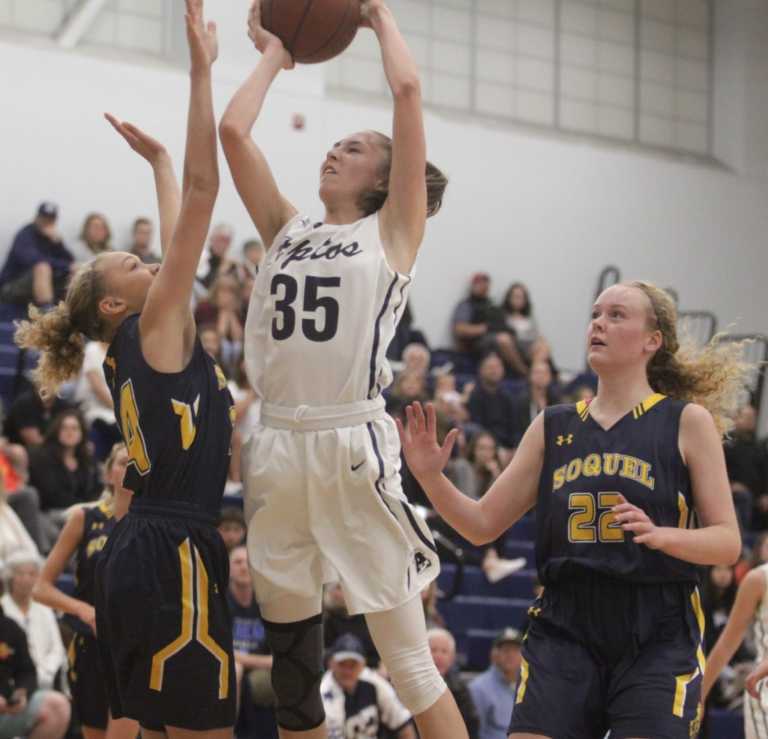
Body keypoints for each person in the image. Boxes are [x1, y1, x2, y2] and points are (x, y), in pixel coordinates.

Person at [220, 0, 465, 736]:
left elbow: (408, 94)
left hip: (349, 445)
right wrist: (275, 52)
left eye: (356, 149)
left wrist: (373, 16)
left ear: (388, 181)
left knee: (411, 664)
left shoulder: (391, 232)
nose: (336, 150)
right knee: (295, 675)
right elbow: (232, 132)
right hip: (276, 447)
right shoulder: (287, 228)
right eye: (338, 143)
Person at [15, 2, 236, 735]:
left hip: (147, 545)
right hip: (173, 546)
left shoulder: (139, 340)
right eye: (136, 263)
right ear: (116, 299)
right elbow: (203, 205)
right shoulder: (150, 328)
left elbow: (182, 239)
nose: (155, 263)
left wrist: (162, 165)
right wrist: (202, 72)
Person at [398, 281, 747, 739]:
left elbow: (727, 542)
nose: (599, 322)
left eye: (617, 315)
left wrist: (663, 536)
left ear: (652, 340)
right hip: (566, 622)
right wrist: (430, 478)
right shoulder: (553, 425)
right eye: (597, 314)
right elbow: (481, 526)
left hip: (656, 623)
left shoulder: (685, 421)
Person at [33, 443, 137, 739]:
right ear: (108, 474)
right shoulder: (85, 517)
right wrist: (82, 608)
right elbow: (40, 587)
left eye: (135, 463)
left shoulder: (153, 524)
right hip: (89, 645)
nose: (128, 469)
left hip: (134, 645)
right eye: (121, 462)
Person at [320, 635, 416, 739]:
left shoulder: (374, 682)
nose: (347, 671)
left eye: (353, 665)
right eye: (342, 664)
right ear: (331, 663)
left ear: (362, 665)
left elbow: (402, 723)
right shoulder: (324, 693)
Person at [0, 600, 70, 739]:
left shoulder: (10, 627)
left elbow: (27, 671)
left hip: (6, 708)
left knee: (57, 706)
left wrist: (22, 692)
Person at [0, 552, 65, 692]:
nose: (26, 579)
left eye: (32, 574)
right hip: (10, 685)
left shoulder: (45, 609)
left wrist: (45, 672)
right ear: (10, 577)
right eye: (20, 574)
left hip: (46, 680)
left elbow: (57, 649)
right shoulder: (3, 609)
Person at [451, 274, 526, 377]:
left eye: (485, 284)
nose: (483, 286)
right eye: (479, 283)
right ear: (473, 285)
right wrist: (486, 328)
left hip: (496, 340)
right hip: (477, 344)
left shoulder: (492, 305)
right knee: (504, 340)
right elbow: (459, 329)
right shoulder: (466, 305)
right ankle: (525, 373)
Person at [0, 203, 73, 308]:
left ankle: (72, 310)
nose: (47, 222)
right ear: (36, 217)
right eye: (44, 218)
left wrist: (58, 243)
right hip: (9, 287)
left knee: (75, 269)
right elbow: (33, 259)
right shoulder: (25, 235)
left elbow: (70, 261)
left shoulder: (53, 238)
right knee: (42, 267)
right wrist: (62, 265)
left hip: (39, 285)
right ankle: (47, 312)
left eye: (50, 219)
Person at [468, 628, 523, 739]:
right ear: (494, 655)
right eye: (506, 650)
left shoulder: (529, 686)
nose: (510, 655)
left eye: (516, 650)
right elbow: (474, 733)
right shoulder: (478, 688)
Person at [427, 629, 478, 739]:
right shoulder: (409, 686)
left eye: (444, 651)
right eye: (433, 650)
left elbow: (471, 725)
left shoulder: (460, 689)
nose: (438, 656)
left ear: (452, 658)